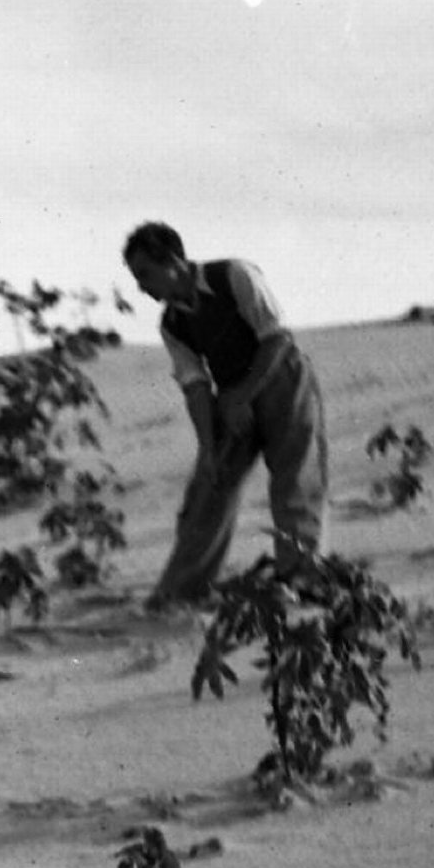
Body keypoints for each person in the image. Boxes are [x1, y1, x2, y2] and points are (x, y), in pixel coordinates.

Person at [121, 221, 327, 608]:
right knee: (210, 485)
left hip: (283, 379)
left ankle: (302, 580)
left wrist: (244, 396)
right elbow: (195, 384)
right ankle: (182, 590)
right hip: (231, 392)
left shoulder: (235, 275)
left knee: (294, 480)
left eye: (145, 274)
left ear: (173, 261)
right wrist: (207, 447)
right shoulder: (172, 324)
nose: (142, 288)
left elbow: (277, 337)